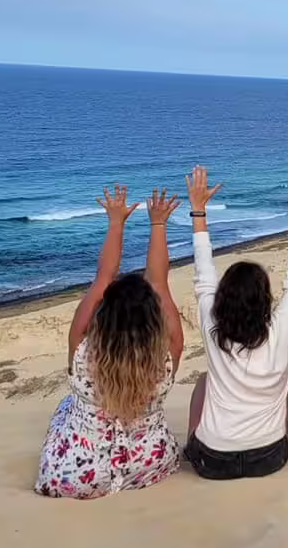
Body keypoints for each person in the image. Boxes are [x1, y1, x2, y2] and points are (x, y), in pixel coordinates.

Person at [34, 185, 185, 498]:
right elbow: (158, 282)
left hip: (77, 475)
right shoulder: (166, 358)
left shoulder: (81, 352)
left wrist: (116, 222)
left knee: (66, 406)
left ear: (104, 317)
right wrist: (158, 224)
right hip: (149, 465)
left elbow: (103, 277)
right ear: (153, 320)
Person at [182, 165, 288, 480]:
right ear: (265, 300)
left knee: (204, 381)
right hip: (269, 458)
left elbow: (203, 274)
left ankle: (191, 450)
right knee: (283, 384)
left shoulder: (212, 325)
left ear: (222, 300)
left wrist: (198, 211)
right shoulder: (282, 329)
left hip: (212, 461)